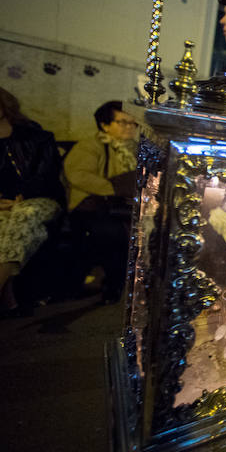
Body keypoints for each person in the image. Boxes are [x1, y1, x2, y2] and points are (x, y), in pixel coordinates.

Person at [0, 83, 64, 316]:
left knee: (24, 215)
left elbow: (47, 174)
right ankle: (8, 297)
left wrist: (18, 197)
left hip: (39, 200)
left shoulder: (34, 135)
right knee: (7, 224)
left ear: (2, 101)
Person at [64, 101, 138, 304]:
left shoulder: (137, 150)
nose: (130, 127)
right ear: (105, 125)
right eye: (123, 122)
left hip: (122, 206)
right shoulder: (90, 146)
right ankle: (112, 285)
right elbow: (77, 174)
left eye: (133, 123)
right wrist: (114, 189)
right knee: (112, 233)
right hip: (94, 206)